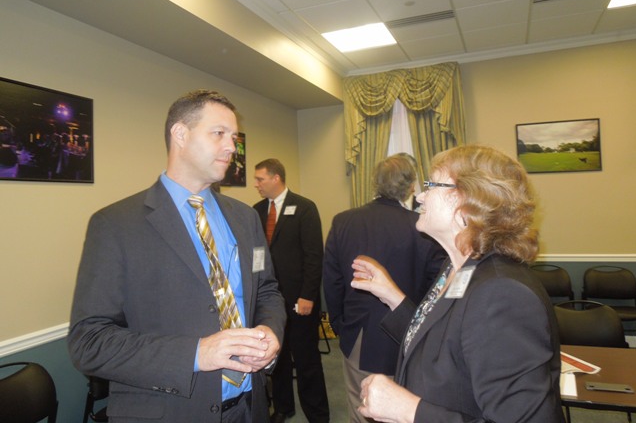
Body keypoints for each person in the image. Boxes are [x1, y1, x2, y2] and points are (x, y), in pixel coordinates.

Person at [68, 90, 286, 422]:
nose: (232, 147)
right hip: (170, 411)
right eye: (219, 134)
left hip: (249, 407)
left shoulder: (245, 219)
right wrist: (198, 354)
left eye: (234, 137)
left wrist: (271, 333)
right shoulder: (115, 225)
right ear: (180, 134)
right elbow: (89, 342)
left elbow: (267, 290)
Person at [352, 144, 564, 423]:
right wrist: (391, 295)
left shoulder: (502, 294)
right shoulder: (457, 266)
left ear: (468, 200)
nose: (420, 195)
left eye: (432, 185)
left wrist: (408, 410)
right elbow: (442, 343)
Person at [322, 154, 446, 422]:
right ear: (410, 187)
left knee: (361, 407)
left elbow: (332, 282)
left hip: (357, 334)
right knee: (403, 407)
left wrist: (340, 324)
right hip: (408, 335)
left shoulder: (343, 221)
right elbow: (436, 287)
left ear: (375, 184)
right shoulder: (422, 227)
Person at [253, 159, 330, 423]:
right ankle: (284, 408)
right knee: (277, 358)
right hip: (269, 301)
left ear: (276, 178)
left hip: (300, 300)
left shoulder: (305, 208)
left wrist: (308, 295)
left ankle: (317, 414)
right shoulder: (257, 211)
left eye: (260, 179)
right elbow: (257, 255)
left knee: (307, 360)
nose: (256, 185)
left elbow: (313, 256)